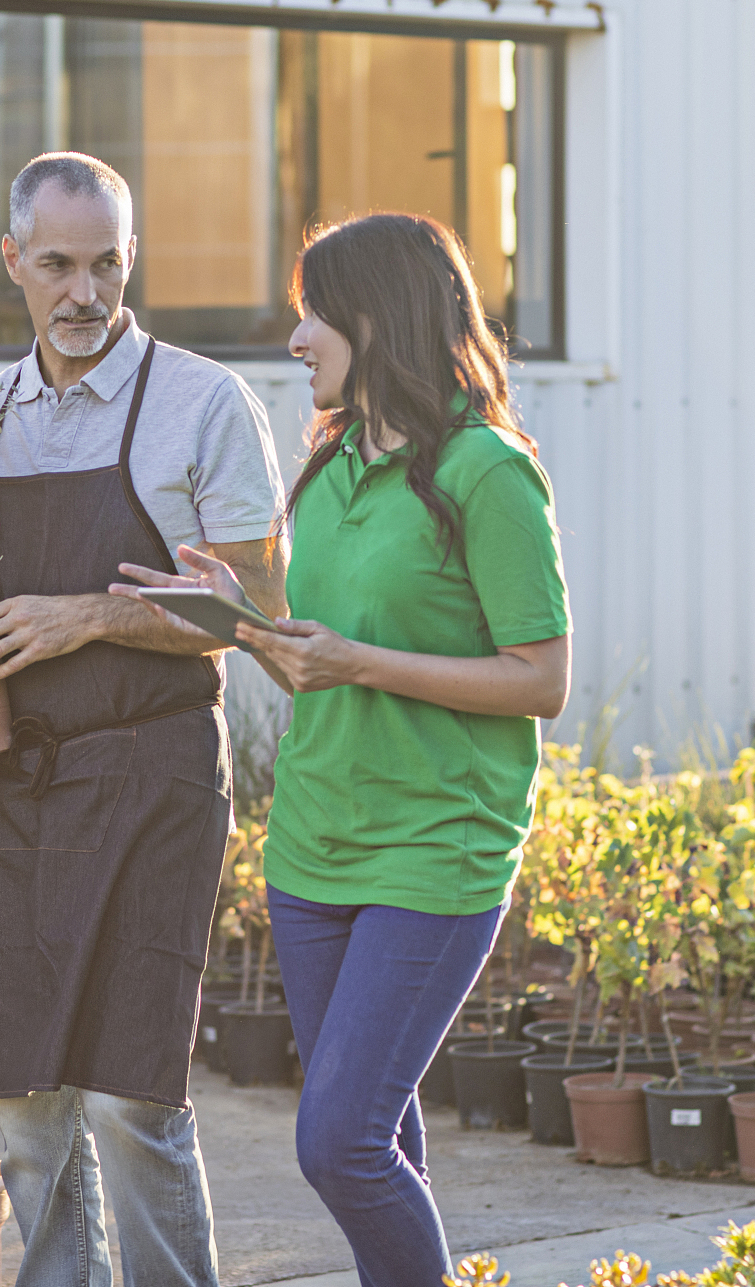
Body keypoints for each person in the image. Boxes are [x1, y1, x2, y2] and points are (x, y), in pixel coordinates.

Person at [0, 151, 286, 1287]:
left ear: (131, 258)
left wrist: (85, 616)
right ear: (10, 261)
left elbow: (256, 613)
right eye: (57, 267)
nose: (84, 294)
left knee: (134, 1096)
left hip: (155, 776)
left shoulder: (202, 404)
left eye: (106, 266)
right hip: (18, 785)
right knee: (28, 1102)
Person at [119, 213, 571, 1285]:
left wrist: (359, 660)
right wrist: (235, 618)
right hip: (314, 849)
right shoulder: (328, 468)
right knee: (380, 1135)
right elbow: (310, 663)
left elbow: (541, 680)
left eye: (313, 313)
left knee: (339, 1143)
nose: (295, 339)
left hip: (436, 849)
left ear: (378, 316)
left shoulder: (486, 471)